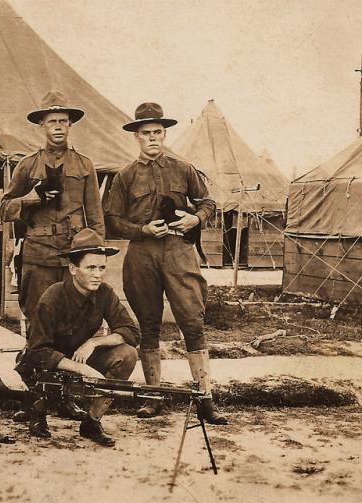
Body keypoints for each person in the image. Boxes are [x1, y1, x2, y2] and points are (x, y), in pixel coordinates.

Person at [104, 102, 227, 424]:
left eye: (157, 132)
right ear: (136, 136)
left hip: (178, 250)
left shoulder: (183, 168)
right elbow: (113, 219)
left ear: (165, 134)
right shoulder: (125, 176)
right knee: (148, 324)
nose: (152, 138)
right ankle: (152, 396)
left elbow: (208, 202)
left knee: (193, 321)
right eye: (146, 133)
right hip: (142, 252)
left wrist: (195, 219)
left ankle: (205, 398)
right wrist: (142, 229)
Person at [0, 90, 105, 420]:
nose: (58, 126)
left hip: (72, 259)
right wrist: (30, 199)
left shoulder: (84, 165)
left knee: (72, 328)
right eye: (51, 121)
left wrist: (94, 257)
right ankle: (37, 400)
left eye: (63, 121)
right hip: (38, 257)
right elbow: (5, 209)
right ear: (41, 126)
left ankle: (65, 398)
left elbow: (95, 216)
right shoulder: (27, 165)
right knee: (38, 326)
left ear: (70, 125)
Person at [18, 228, 140, 447]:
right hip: (46, 365)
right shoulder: (52, 297)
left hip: (79, 358)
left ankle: (91, 422)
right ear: (73, 269)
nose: (98, 274)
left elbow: (131, 331)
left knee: (128, 354)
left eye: (102, 268)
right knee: (39, 379)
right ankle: (37, 410)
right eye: (91, 267)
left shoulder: (105, 293)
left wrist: (94, 342)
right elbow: (37, 351)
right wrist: (81, 368)